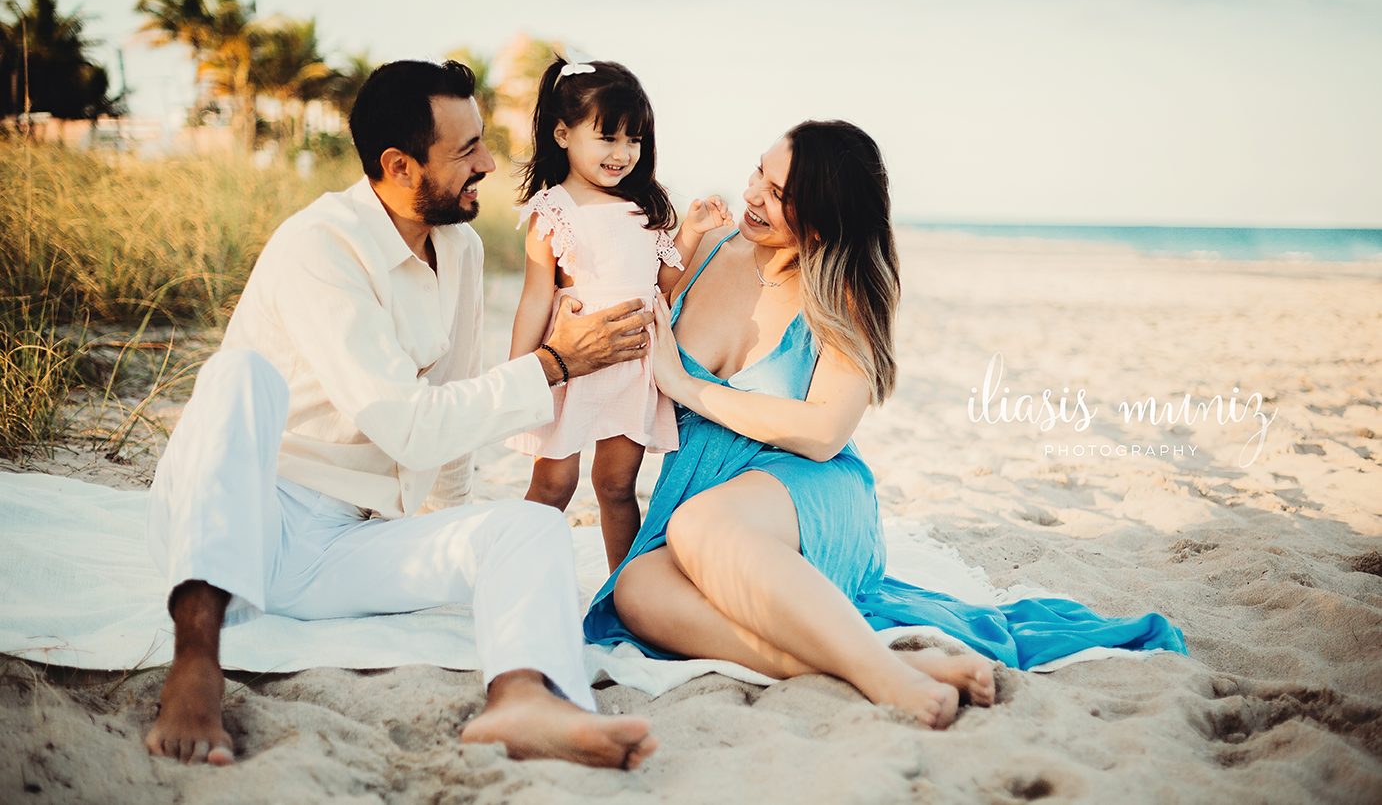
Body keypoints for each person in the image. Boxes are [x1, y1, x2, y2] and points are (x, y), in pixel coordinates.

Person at [583, 120, 1187, 730]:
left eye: (778, 192)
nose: (754, 195)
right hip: (707, 485)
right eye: (758, 172)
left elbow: (823, 433)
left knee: (699, 524)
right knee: (635, 589)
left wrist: (687, 387)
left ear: (822, 216)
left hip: (803, 488)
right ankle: (840, 663)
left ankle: (881, 674)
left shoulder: (840, 292)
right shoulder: (704, 248)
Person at [143, 59, 657, 769]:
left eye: (483, 141)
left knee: (528, 525)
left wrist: (454, 519)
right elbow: (406, 422)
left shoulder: (461, 246)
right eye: (466, 151)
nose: (487, 163)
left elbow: (452, 405)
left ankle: (524, 698)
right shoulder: (320, 245)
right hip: (252, 521)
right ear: (399, 165)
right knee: (237, 377)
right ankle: (195, 663)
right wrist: (556, 363)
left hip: (349, 547)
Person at [506, 59, 731, 571]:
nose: (623, 153)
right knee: (553, 482)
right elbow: (535, 299)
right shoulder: (554, 210)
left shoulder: (645, 205)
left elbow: (661, 287)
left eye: (634, 140)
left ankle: (622, 590)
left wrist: (691, 232)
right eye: (608, 138)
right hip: (573, 356)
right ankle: (513, 573)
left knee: (616, 484)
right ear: (562, 134)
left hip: (633, 358)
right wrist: (520, 372)